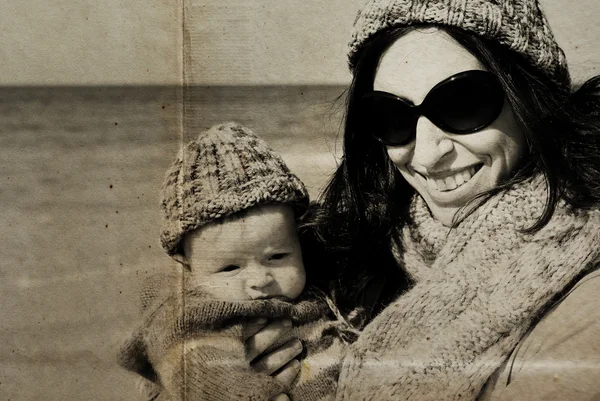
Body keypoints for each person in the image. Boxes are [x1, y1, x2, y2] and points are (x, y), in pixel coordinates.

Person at [302, 0, 600, 400]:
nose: (426, 154)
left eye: (463, 104)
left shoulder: (587, 305)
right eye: (392, 115)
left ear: (531, 101)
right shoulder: (362, 259)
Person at [117, 123, 353, 401]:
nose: (260, 280)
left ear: (299, 241)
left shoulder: (324, 281)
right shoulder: (188, 311)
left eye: (277, 256)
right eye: (230, 268)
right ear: (187, 268)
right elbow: (200, 371)